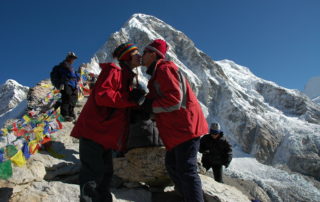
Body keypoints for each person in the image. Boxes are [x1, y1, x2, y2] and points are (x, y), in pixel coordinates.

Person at [70, 43, 141, 202]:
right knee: (92, 176)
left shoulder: (128, 76)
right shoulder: (113, 70)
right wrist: (130, 99)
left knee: (106, 175)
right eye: (136, 53)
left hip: (107, 135)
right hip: (95, 131)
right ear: (127, 56)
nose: (139, 56)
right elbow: (103, 95)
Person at [139, 39, 208, 202]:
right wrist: (144, 102)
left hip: (185, 127)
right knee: (172, 165)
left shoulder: (165, 68)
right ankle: (186, 196)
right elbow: (158, 100)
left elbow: (174, 100)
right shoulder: (157, 73)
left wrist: (148, 104)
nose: (141, 56)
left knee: (187, 170)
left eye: (144, 53)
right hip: (176, 131)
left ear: (153, 54)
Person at [58, 52, 80, 121]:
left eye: (74, 58)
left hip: (74, 84)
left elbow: (75, 76)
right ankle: (65, 114)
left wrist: (77, 76)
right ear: (68, 58)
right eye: (72, 58)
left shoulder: (71, 67)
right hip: (66, 83)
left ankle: (71, 112)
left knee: (74, 98)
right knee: (67, 97)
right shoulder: (64, 65)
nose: (73, 60)